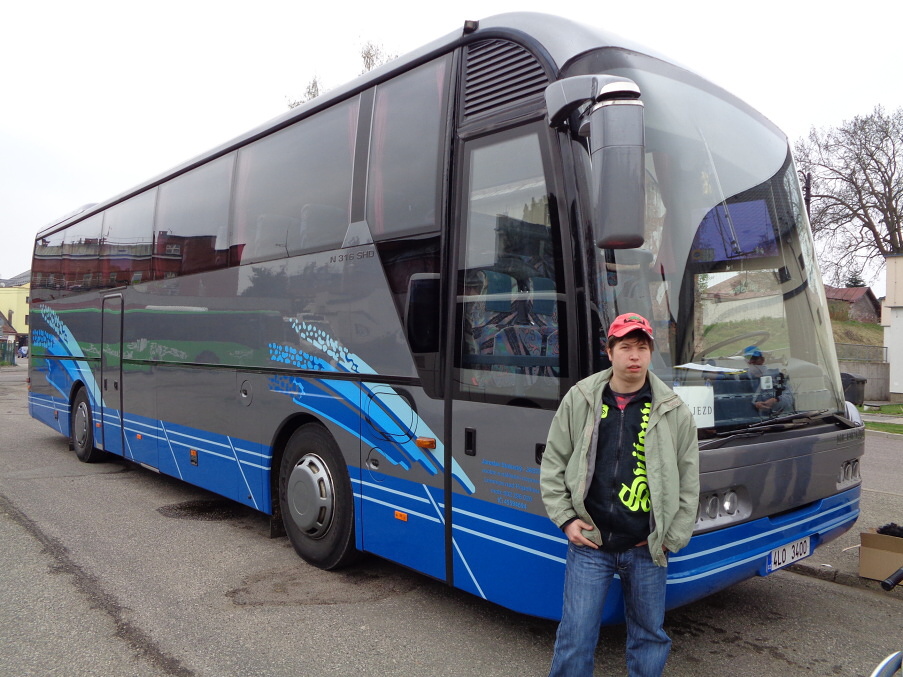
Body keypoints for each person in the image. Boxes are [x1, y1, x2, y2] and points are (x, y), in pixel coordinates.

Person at [540, 312, 700, 677]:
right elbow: (553, 463)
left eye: (642, 347)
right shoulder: (581, 398)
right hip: (590, 544)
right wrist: (566, 519)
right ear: (610, 351)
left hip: (647, 548)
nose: (634, 355)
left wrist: (670, 538)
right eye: (626, 347)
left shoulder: (673, 410)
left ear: (650, 353)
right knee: (576, 635)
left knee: (649, 635)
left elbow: (689, 480)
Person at [743, 346, 793, 415]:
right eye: (748, 358)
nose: (751, 362)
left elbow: (789, 398)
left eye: (754, 358)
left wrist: (776, 400)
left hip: (775, 418)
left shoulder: (777, 376)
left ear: (762, 360)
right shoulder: (741, 378)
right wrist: (754, 404)